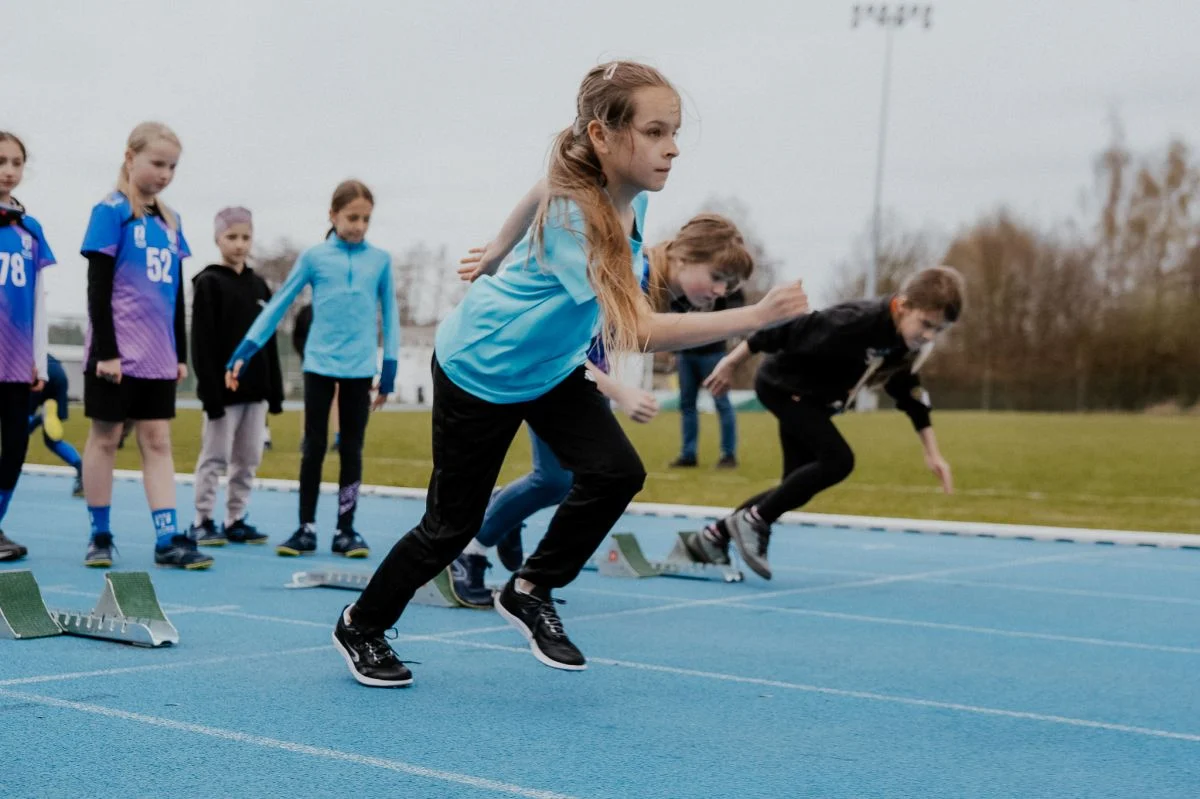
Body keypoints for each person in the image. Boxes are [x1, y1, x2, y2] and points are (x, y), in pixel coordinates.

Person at [330, 60, 809, 688]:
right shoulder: (575, 217)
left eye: (675, 132)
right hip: (480, 368)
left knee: (616, 473)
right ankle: (361, 624)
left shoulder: (620, 197)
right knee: (449, 528)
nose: (673, 148)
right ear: (604, 137)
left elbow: (539, 183)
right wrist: (755, 314)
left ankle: (530, 588)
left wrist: (498, 249)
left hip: (550, 369)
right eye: (657, 132)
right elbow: (634, 327)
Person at [450, 201, 755, 607]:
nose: (720, 293)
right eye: (717, 278)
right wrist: (621, 391)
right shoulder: (634, 272)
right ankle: (471, 551)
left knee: (577, 477)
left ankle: (509, 516)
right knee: (563, 479)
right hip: (541, 368)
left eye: (729, 288)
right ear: (684, 256)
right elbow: (574, 347)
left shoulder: (657, 284)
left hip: (573, 375)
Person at [691, 266, 966, 580]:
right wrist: (730, 362)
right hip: (783, 386)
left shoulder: (903, 344)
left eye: (938, 331)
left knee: (794, 486)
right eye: (926, 325)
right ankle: (752, 522)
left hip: (812, 400)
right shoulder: (856, 321)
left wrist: (933, 453)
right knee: (838, 460)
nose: (928, 336)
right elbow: (781, 330)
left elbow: (908, 395)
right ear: (903, 306)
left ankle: (711, 539)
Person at [226, 180, 399, 559]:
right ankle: (306, 528)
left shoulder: (380, 261)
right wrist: (246, 348)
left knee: (352, 448)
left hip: (358, 369)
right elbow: (278, 304)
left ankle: (346, 529)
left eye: (365, 219)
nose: (358, 225)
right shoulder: (315, 257)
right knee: (314, 447)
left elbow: (391, 316)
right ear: (333, 215)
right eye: (351, 217)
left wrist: (389, 370)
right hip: (319, 365)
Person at [80, 122, 208, 569]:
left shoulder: (171, 223)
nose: (166, 174)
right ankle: (100, 534)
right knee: (106, 439)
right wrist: (106, 353)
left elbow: (175, 294)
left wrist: (178, 355)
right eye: (158, 163)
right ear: (131, 158)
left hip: (157, 356)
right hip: (116, 354)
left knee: (157, 442)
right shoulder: (111, 212)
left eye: (172, 166)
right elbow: (97, 289)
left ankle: (167, 537)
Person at [189, 207, 283, 546]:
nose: (240, 244)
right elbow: (201, 343)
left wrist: (275, 390)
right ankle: (202, 519)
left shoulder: (259, 285)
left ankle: (236, 518)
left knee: (248, 460)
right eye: (232, 237)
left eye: (245, 237)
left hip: (255, 391)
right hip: (222, 395)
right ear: (218, 239)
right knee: (215, 458)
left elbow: (268, 339)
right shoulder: (208, 282)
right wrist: (210, 393)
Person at [0, 131, 55, 562]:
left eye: (16, 162)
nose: (9, 171)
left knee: (16, 447)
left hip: (16, 363)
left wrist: (38, 359)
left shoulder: (30, 228)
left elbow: (39, 298)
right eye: (1, 161)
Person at [667, 287, 744, 469]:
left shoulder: (721, 281)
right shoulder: (683, 283)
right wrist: (674, 350)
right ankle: (688, 454)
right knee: (687, 405)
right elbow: (674, 315)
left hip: (713, 353)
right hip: (685, 353)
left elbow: (736, 301)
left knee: (722, 403)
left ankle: (728, 455)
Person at [29, 354, 85, 498]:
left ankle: (40, 418)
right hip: (59, 376)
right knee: (52, 440)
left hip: (37, 374)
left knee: (18, 430)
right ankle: (81, 469)